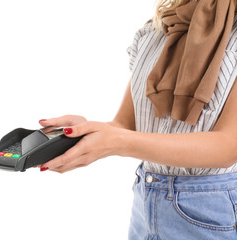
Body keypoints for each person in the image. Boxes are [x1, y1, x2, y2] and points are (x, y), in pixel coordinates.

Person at [36, 0, 237, 239]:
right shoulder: (154, 32)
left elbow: (228, 146)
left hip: (210, 209)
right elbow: (125, 125)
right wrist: (87, 131)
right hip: (145, 201)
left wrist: (118, 142)